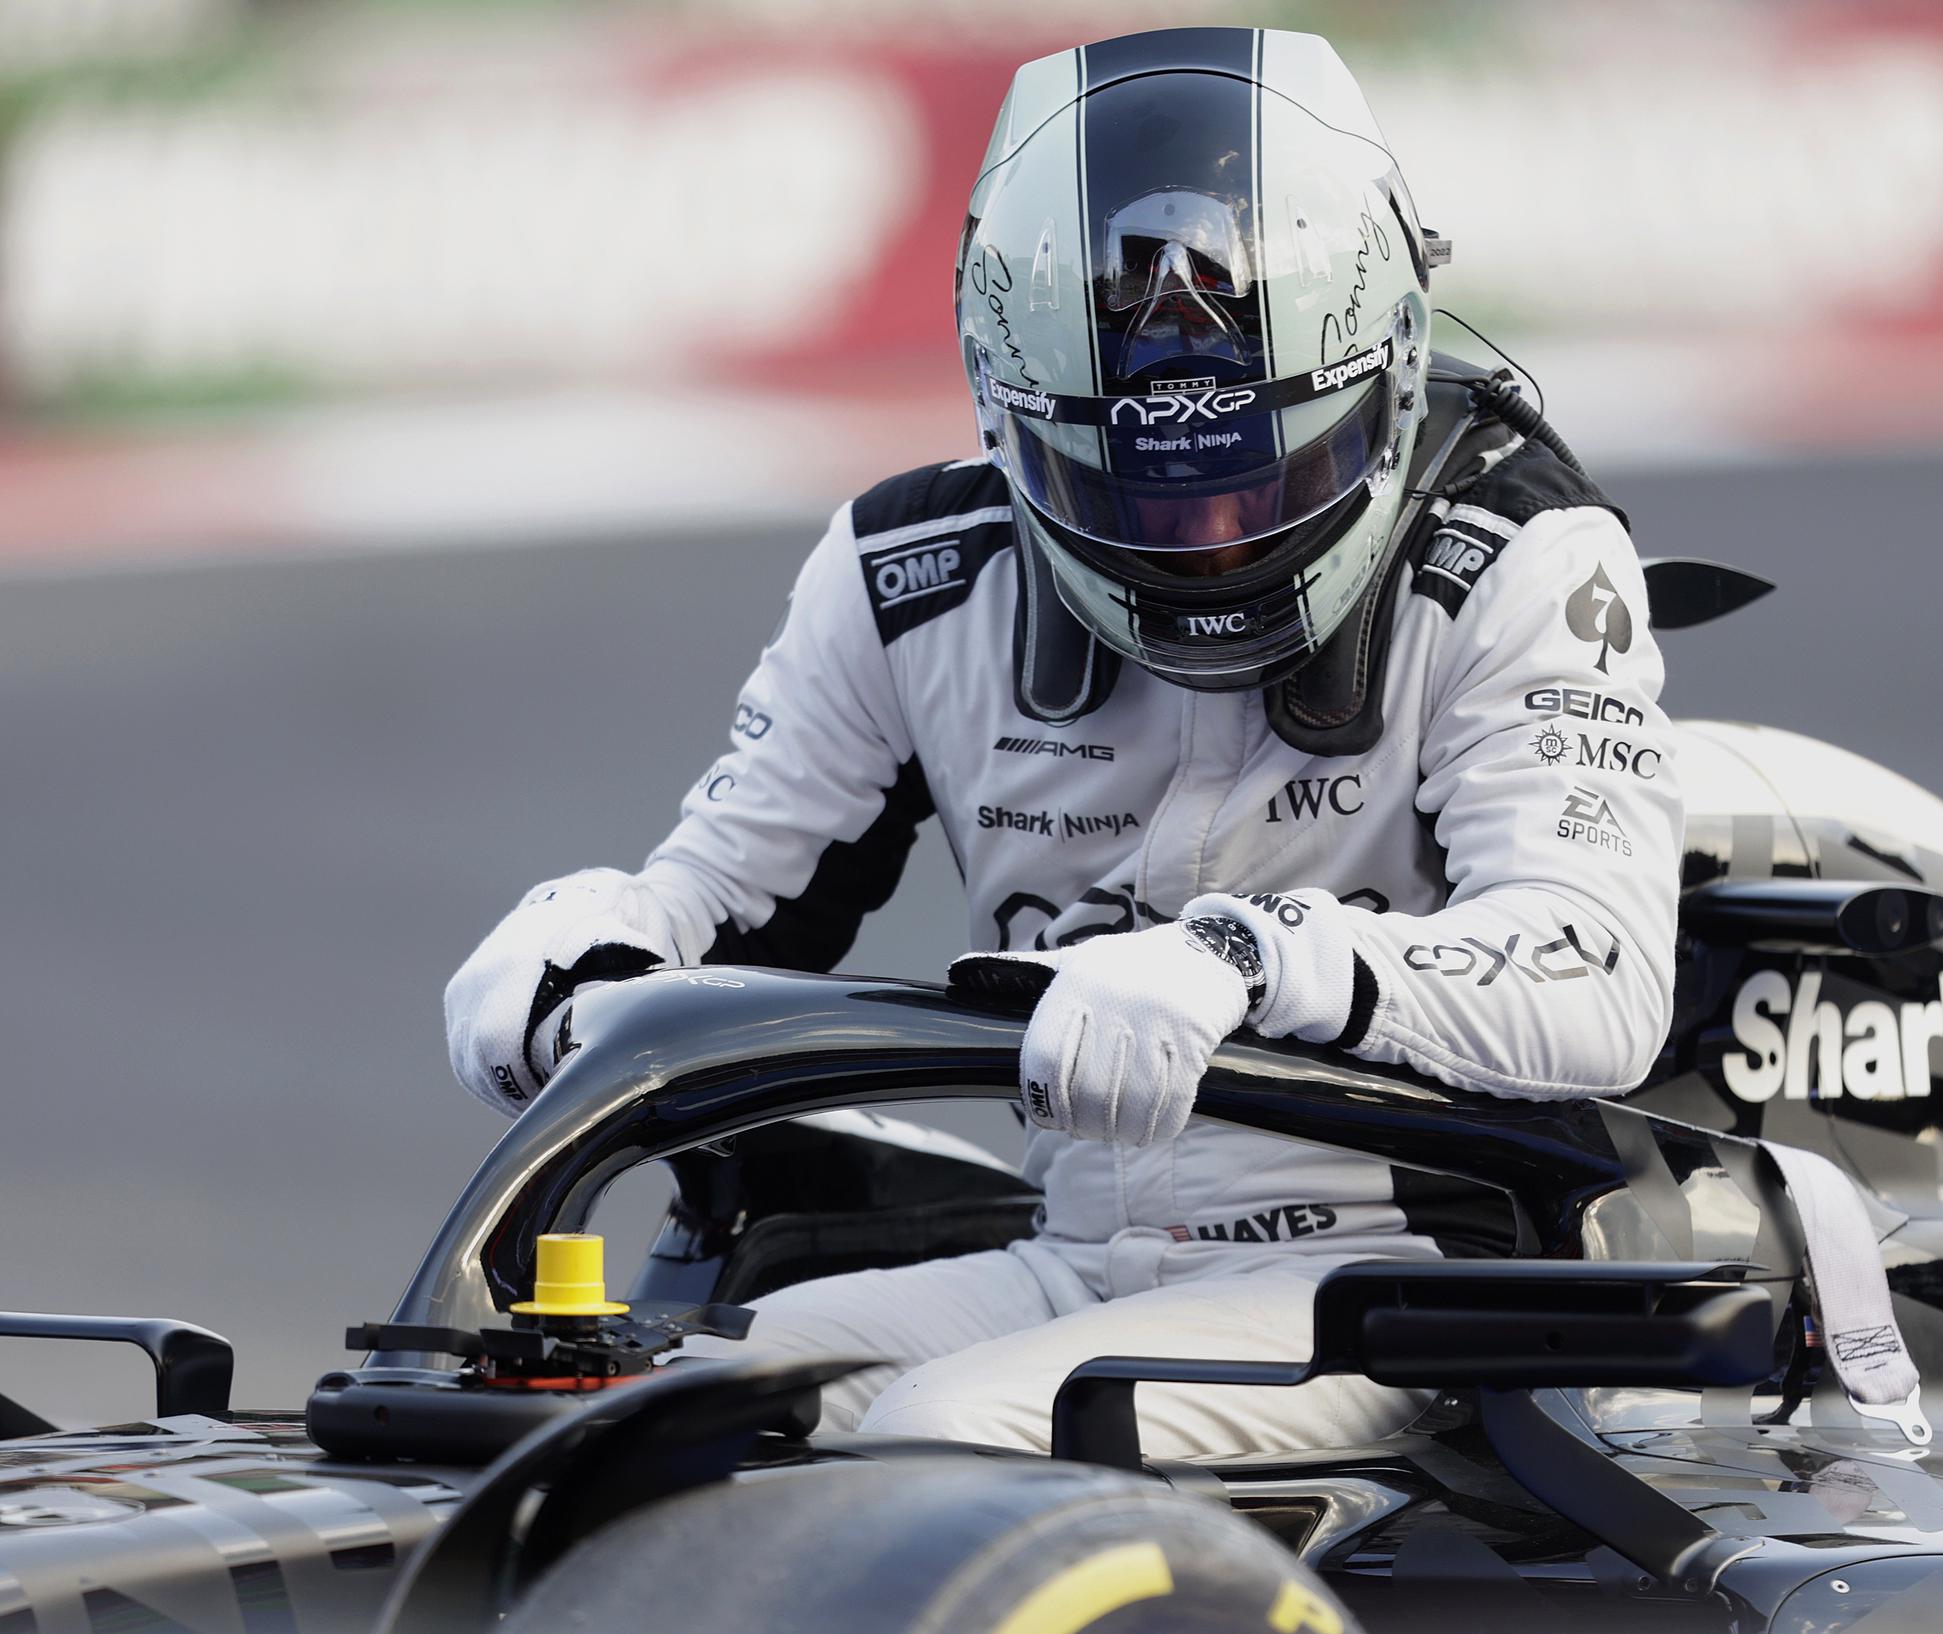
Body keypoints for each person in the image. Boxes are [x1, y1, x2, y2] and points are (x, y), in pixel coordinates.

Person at [442, 25, 1682, 1458]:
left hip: (1397, 1278)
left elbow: (1599, 975)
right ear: (1012, 416)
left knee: (947, 1438)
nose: (1215, 549)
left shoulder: (1525, 555)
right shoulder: (908, 577)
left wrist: (1246, 958)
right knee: (611, 1416)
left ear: (1385, 371)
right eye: (1152, 507)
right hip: (1078, 1259)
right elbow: (726, 899)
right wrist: (590, 944)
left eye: (1270, 478)